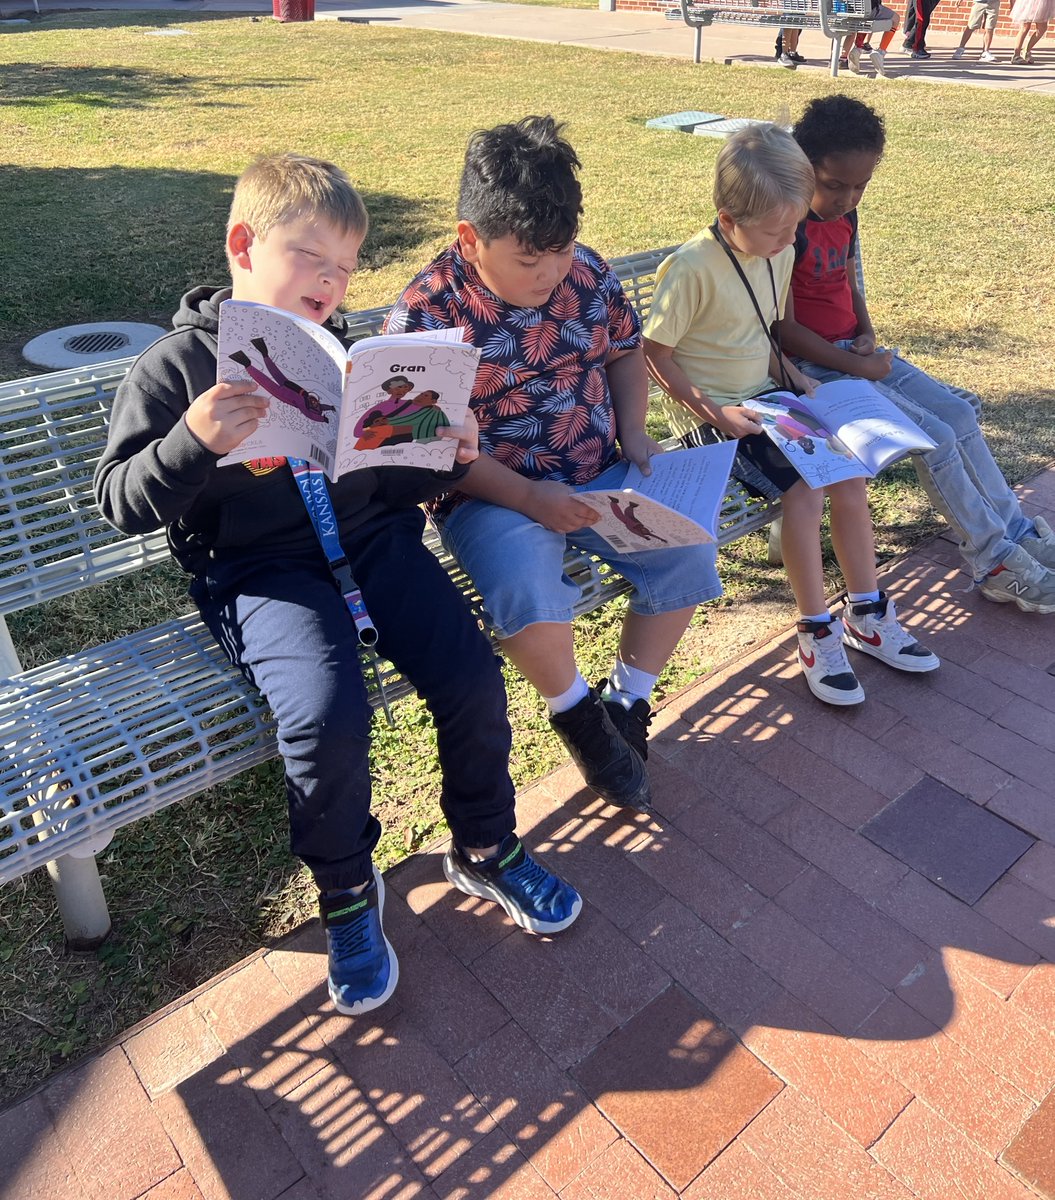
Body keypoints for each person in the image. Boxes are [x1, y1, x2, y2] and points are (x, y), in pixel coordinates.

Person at [94, 152, 582, 1020]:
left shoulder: (351, 355)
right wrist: (192, 443)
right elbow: (119, 502)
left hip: (373, 545)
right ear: (244, 243)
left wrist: (444, 450)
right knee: (325, 717)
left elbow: (390, 491)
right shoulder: (178, 370)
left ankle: (483, 842)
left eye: (347, 268)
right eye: (311, 258)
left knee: (471, 674)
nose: (332, 281)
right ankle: (349, 893)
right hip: (264, 575)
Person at [386, 116, 723, 808]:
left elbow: (624, 351)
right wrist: (530, 500)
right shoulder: (424, 317)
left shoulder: (588, 273)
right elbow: (422, 450)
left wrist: (634, 432)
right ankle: (575, 713)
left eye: (560, 251)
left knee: (688, 558)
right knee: (528, 593)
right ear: (468, 239)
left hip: (600, 472)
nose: (547, 275)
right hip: (486, 492)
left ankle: (624, 703)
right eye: (526, 261)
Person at [642, 123, 939, 708]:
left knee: (850, 476)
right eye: (776, 231)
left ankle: (869, 612)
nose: (787, 243)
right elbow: (654, 355)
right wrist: (713, 410)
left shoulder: (776, 251)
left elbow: (765, 329)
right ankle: (814, 630)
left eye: (793, 227)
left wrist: (795, 376)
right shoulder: (693, 268)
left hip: (771, 400)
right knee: (805, 492)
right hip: (715, 421)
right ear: (728, 219)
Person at [783, 95, 1055, 614]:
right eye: (835, 184)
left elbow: (846, 280)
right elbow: (787, 331)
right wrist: (861, 366)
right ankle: (993, 559)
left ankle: (1016, 531)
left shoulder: (846, 217)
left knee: (955, 412)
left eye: (861, 186)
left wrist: (866, 333)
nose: (847, 197)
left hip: (857, 353)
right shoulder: (787, 226)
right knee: (936, 435)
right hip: (818, 371)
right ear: (804, 169)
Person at [844, 2, 901, 75]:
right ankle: (881, 52)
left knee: (864, 19)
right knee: (896, 18)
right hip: (869, 9)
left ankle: (857, 48)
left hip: (850, 8)